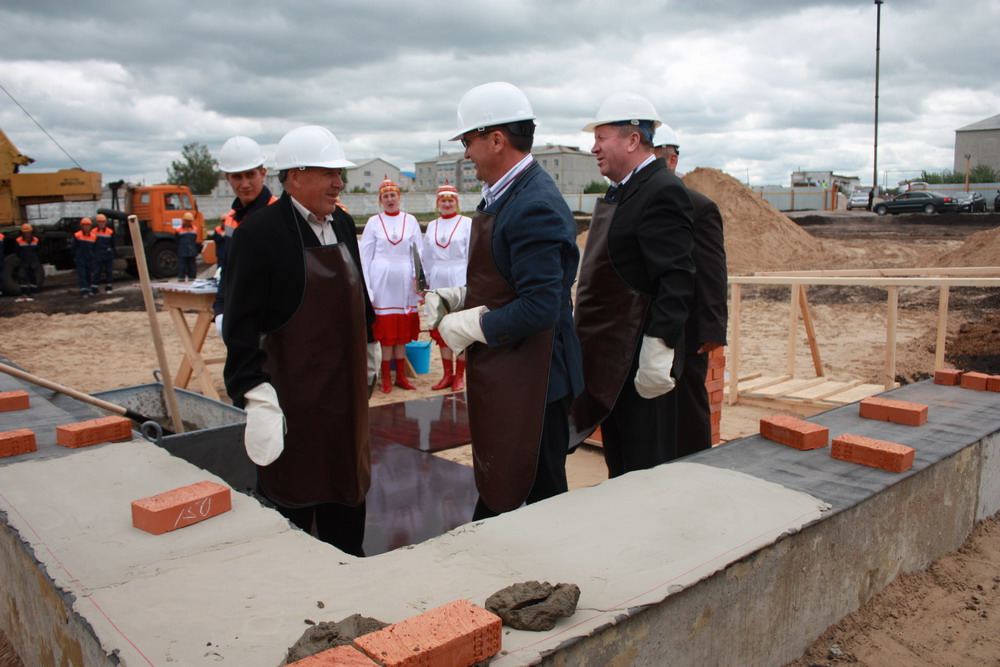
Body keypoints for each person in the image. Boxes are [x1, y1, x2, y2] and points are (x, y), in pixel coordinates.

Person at [426, 82, 583, 520]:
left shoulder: (533, 203)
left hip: (536, 379)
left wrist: (471, 325)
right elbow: (510, 278)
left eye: (468, 140)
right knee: (506, 487)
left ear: (496, 139)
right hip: (514, 370)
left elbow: (541, 305)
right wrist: (462, 297)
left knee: (537, 491)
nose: (465, 152)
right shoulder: (504, 193)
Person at [223, 125, 379, 556]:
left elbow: (360, 295)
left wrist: (369, 343)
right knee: (291, 526)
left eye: (339, 173)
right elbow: (239, 329)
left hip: (346, 404)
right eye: (329, 173)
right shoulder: (259, 236)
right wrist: (253, 393)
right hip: (293, 406)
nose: (339, 183)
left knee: (347, 513)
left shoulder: (344, 223)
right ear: (295, 176)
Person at [571, 91, 695, 478]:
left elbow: (676, 280)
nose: (594, 147)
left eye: (602, 137)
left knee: (645, 470)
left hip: (640, 365)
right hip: (615, 361)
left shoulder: (662, 191)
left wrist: (658, 351)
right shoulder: (623, 190)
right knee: (621, 466)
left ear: (632, 139)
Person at [652, 124, 728, 458]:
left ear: (672, 160)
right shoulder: (639, 202)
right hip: (655, 324)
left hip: (689, 331)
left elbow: (712, 273)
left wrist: (711, 331)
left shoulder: (700, 207)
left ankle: (699, 467)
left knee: (688, 407)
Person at [359, 176, 423, 393]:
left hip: (404, 279)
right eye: (385, 196)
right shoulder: (373, 222)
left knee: (402, 330)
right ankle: (386, 377)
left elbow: (418, 252)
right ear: (381, 200)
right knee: (386, 331)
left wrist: (418, 279)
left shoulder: (411, 220)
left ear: (399, 196)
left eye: (392, 195)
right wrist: (367, 286)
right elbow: (365, 256)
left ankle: (401, 377)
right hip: (382, 280)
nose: (389, 199)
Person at [214, 136, 277, 333]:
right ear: (227, 179)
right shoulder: (232, 218)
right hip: (239, 313)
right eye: (237, 177)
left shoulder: (279, 214)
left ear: (263, 173)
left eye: (250, 175)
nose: (245, 183)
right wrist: (220, 309)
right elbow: (227, 268)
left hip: (271, 317)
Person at [422, 181, 472, 392]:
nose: (447, 203)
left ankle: (460, 375)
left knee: (458, 327)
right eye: (443, 200)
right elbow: (426, 256)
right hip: (438, 278)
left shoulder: (467, 223)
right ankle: (447, 375)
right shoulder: (432, 225)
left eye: (450, 200)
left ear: (456, 202)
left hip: (459, 276)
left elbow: (472, 253)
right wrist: (425, 282)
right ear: (438, 203)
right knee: (442, 326)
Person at [71, 217, 98, 297]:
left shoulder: (93, 236)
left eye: (88, 225)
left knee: (88, 275)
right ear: (82, 226)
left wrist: (93, 257)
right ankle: (84, 291)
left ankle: (88, 289)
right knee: (82, 275)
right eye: (85, 225)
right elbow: (73, 247)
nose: (87, 227)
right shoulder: (77, 235)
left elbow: (95, 248)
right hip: (81, 258)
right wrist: (75, 256)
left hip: (89, 258)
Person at [15, 223, 41, 300]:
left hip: (33, 261)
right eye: (26, 232)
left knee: (33, 277)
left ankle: (33, 292)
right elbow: (17, 252)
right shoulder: (19, 240)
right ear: (23, 232)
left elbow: (38, 250)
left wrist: (36, 259)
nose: (27, 234)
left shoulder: (36, 240)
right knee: (23, 277)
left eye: (28, 232)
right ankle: (24, 293)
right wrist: (23, 258)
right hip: (24, 261)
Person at [92, 213, 115, 292]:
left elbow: (113, 244)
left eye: (103, 222)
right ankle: (95, 288)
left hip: (107, 254)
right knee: (96, 271)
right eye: (99, 222)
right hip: (98, 254)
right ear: (97, 223)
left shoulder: (110, 232)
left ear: (105, 222)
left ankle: (108, 287)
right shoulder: (93, 232)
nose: (101, 224)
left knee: (108, 271)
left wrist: (111, 252)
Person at [175, 212, 200, 282]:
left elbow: (195, 240)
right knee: (181, 269)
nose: (189, 222)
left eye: (190, 221)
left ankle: (192, 282)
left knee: (192, 269)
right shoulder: (178, 229)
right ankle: (181, 283)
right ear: (184, 221)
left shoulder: (195, 229)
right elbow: (177, 241)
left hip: (191, 253)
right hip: (182, 252)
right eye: (187, 221)